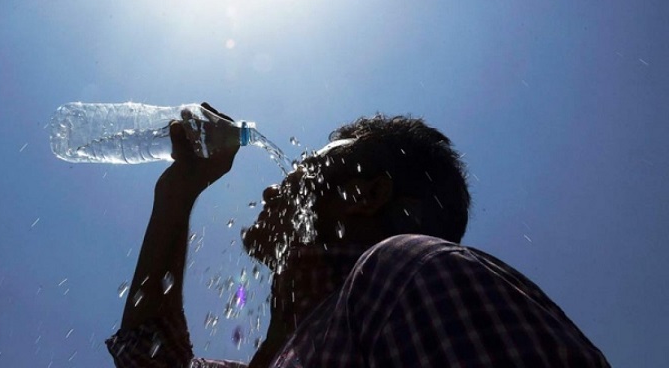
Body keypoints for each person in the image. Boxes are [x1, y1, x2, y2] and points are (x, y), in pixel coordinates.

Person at [106, 104, 609, 367]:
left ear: (363, 195)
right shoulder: (300, 345)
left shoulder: (407, 274)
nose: (271, 184)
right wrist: (179, 189)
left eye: (304, 167)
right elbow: (150, 358)